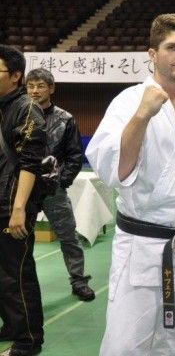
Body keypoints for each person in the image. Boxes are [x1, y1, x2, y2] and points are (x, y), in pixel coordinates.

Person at [85, 14, 175, 356]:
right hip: (141, 245)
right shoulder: (128, 102)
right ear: (152, 54)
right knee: (126, 344)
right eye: (172, 47)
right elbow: (115, 171)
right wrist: (142, 116)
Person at [25, 68, 95, 302]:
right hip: (23, 190)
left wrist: (61, 181)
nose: (35, 91)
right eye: (31, 86)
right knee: (20, 240)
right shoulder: (18, 115)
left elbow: (75, 156)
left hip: (53, 190)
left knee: (68, 237)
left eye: (40, 86)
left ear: (51, 88)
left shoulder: (65, 119)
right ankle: (21, 285)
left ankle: (78, 281)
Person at [0, 45, 47, 356]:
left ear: (16, 76)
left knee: (16, 275)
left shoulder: (27, 109)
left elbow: (30, 162)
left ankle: (28, 340)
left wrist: (18, 209)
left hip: (12, 206)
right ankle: (12, 326)